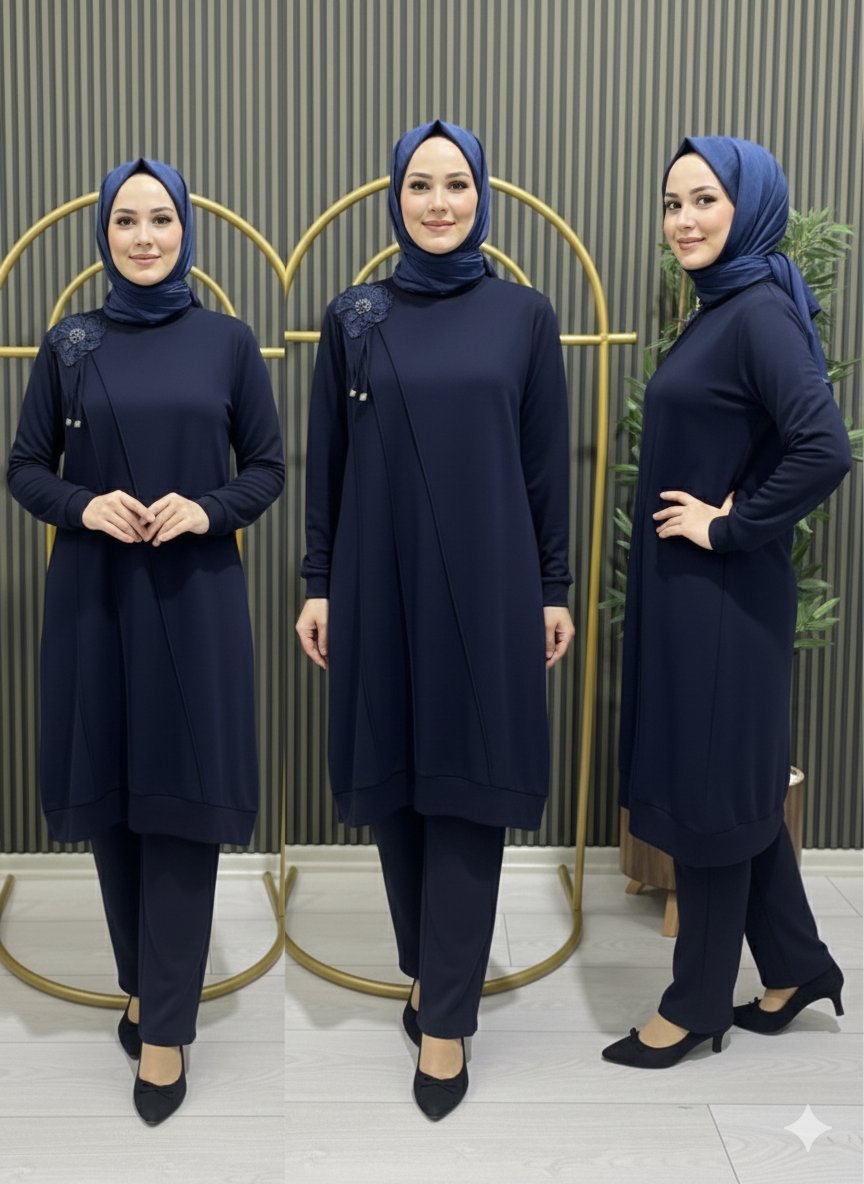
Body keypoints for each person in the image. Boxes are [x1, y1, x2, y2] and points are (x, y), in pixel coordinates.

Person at [296, 120, 574, 1118]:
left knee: (467, 785)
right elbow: (325, 462)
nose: (440, 202)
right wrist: (319, 580)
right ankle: (429, 969)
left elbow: (544, 465)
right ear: (395, 197)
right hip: (377, 577)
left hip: (492, 583)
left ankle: (448, 1020)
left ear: (481, 195)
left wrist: (553, 586)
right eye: (421, 184)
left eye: (457, 184)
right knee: (397, 783)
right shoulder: (354, 315)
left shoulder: (524, 315)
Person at [7, 158, 285, 1121]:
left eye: (160, 217)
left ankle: (166, 1030)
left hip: (195, 599)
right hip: (94, 598)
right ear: (104, 234)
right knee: (114, 800)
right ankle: (144, 984)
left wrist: (207, 510)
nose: (143, 236)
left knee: (181, 804)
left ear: (184, 229)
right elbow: (25, 466)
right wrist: (84, 506)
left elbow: (267, 467)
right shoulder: (70, 343)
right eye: (125, 220)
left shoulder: (227, 341)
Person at [603, 136, 851, 1069]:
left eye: (704, 199)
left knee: (711, 795)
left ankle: (694, 1004)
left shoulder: (756, 315)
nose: (683, 221)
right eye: (672, 203)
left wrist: (731, 525)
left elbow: (823, 447)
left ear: (750, 206)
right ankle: (796, 967)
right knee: (738, 788)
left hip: (723, 601)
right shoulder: (722, 306)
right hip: (694, 599)